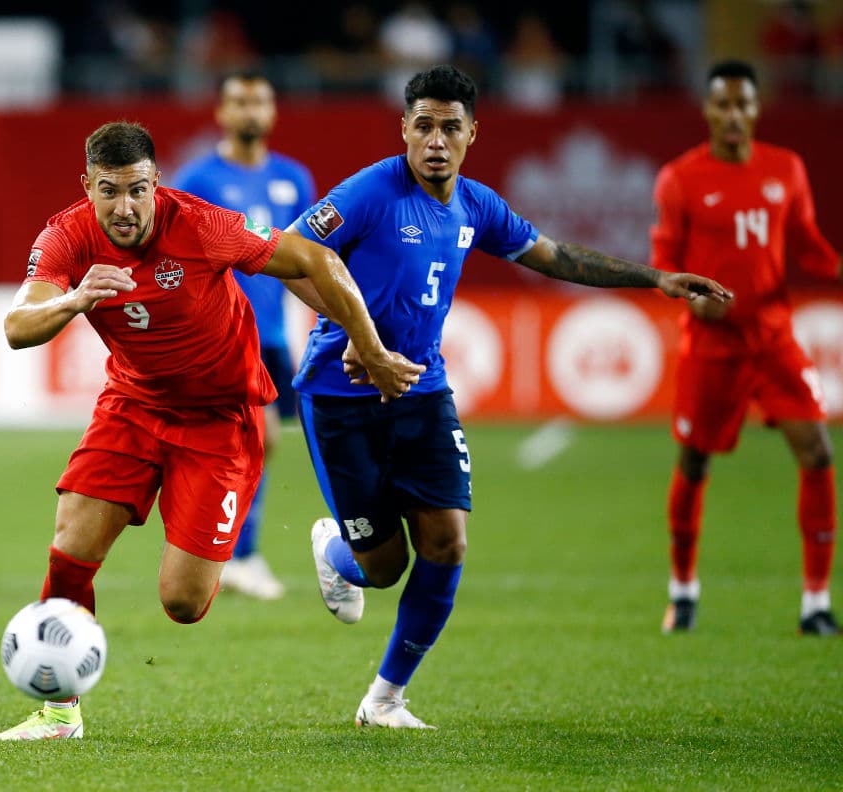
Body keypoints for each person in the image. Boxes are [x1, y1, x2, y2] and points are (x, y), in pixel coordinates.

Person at [284, 64, 732, 729]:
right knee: (382, 568)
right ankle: (336, 551)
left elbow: (555, 257)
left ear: (473, 134)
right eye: (425, 125)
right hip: (341, 394)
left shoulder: (477, 206)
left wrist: (656, 278)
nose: (436, 140)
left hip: (424, 390)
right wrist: (362, 337)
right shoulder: (375, 190)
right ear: (404, 128)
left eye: (451, 128)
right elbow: (292, 250)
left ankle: (385, 698)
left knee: (448, 542)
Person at [0, 121, 424, 741]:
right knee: (72, 547)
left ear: (155, 182)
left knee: (183, 603)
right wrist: (73, 300)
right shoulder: (67, 234)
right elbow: (17, 325)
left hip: (220, 419)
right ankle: (59, 712)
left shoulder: (200, 224)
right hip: (133, 405)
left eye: (137, 189)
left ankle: (332, 548)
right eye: (108, 191)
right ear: (87, 186)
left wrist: (370, 347)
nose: (124, 207)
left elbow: (316, 258)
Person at [650, 59, 841, 637]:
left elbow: (807, 247)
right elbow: (663, 263)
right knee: (695, 461)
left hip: (774, 339)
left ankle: (815, 603)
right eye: (723, 104)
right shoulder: (681, 178)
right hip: (711, 344)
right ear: (708, 110)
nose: (733, 115)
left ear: (757, 109)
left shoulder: (786, 168)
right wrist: (693, 301)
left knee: (818, 453)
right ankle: (683, 592)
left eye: (743, 105)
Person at [170, 71, 316, 600]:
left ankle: (229, 550)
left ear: (273, 112)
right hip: (222, 333)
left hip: (272, 333)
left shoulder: (294, 179)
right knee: (262, 437)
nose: (250, 110)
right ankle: (238, 555)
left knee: (258, 441)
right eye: (239, 101)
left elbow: (305, 262)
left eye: (260, 100)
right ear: (222, 113)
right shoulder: (197, 180)